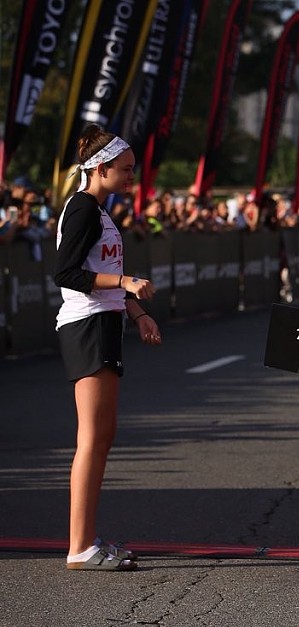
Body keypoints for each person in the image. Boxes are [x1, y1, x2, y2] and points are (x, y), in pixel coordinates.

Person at [53, 124, 160, 572]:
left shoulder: (99, 210)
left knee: (103, 436)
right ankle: (80, 547)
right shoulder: (82, 208)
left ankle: (88, 539)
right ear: (99, 169)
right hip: (87, 325)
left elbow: (103, 272)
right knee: (92, 438)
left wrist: (137, 312)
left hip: (105, 322)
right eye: (126, 168)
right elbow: (66, 273)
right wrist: (124, 281)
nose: (132, 175)